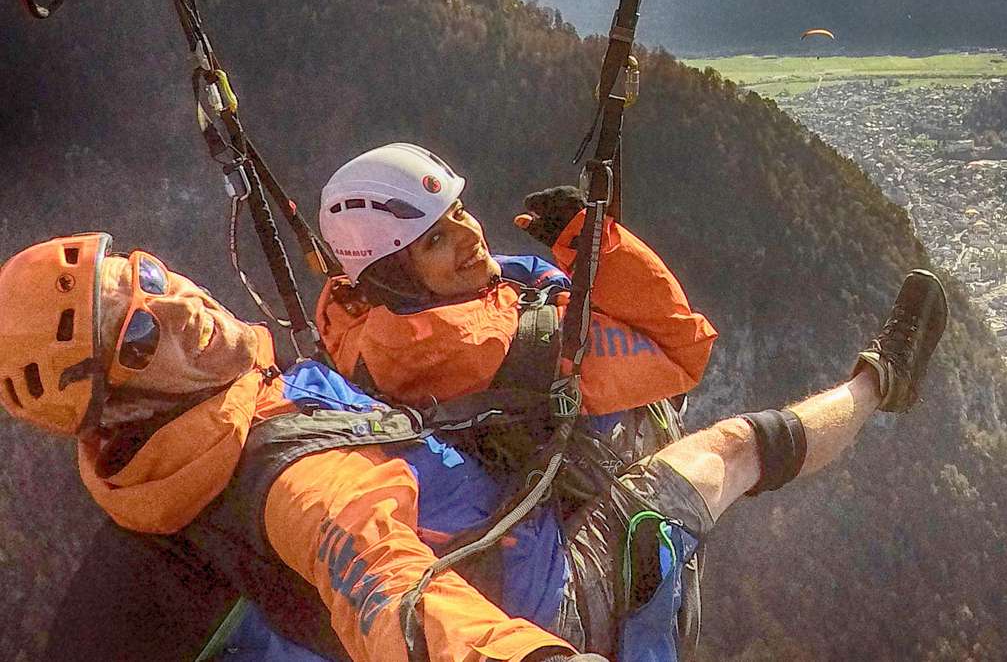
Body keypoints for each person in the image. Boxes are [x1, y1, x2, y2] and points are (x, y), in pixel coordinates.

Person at [0, 232, 947, 662]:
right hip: (543, 597)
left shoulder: (156, 485)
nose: (180, 309)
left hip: (488, 519)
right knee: (728, 449)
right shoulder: (291, 486)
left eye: (150, 276)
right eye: (135, 336)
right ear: (109, 402)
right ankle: (876, 387)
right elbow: (397, 596)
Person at [314, 143, 718, 501]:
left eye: (458, 212)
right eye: (434, 240)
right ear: (395, 280)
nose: (469, 234)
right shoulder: (512, 348)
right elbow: (681, 352)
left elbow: (496, 287)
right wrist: (593, 244)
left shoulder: (358, 321)